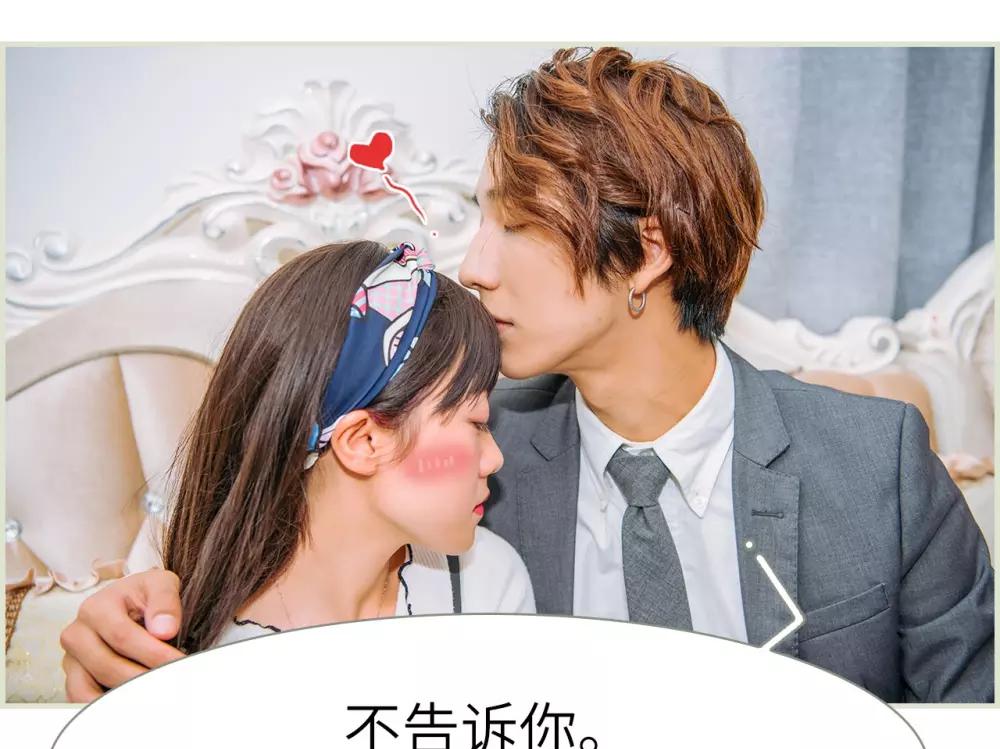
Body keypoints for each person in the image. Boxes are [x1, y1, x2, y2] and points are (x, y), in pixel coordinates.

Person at [61, 47, 993, 702]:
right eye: (480, 219)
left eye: (516, 222)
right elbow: (275, 514)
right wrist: (134, 607)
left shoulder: (876, 465)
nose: (475, 266)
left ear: (647, 253)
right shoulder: (458, 457)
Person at [60, 239, 533, 690]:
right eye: (476, 423)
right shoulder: (178, 638)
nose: (494, 459)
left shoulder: (483, 581)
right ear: (363, 441)